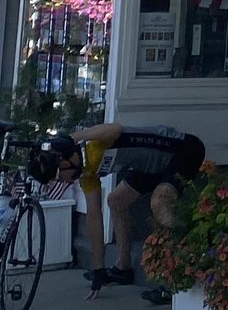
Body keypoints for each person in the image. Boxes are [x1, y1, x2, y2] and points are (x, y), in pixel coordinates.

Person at [45, 124, 204, 296]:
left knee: (160, 201)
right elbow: (94, 215)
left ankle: (183, 268)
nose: (65, 182)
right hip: (151, 166)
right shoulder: (86, 173)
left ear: (65, 162)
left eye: (61, 177)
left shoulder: (93, 145)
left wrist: (72, 138)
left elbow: (115, 129)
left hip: (183, 152)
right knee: (116, 200)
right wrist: (98, 268)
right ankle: (123, 267)